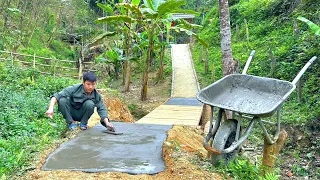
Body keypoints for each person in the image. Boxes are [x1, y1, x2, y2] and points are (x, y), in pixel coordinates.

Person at [45, 72, 114, 130]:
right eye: (88, 84)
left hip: (82, 115)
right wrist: (50, 109)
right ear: (83, 83)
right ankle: (71, 123)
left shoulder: (96, 95)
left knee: (90, 104)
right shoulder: (74, 88)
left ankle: (83, 124)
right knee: (62, 100)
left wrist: (107, 123)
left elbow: (102, 109)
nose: (90, 87)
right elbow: (56, 96)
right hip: (70, 113)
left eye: (93, 84)